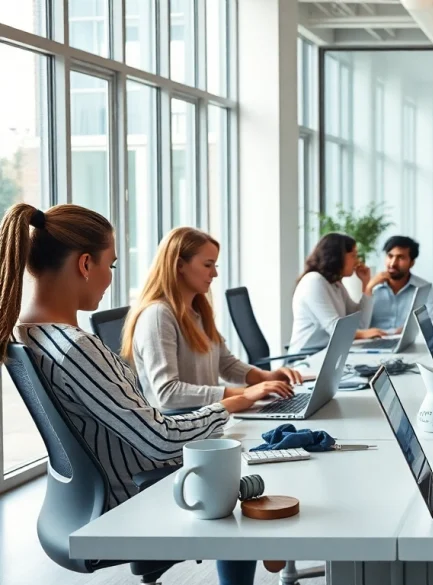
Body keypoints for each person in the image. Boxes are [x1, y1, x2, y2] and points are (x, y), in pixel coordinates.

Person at [0, 204, 283, 585]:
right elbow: (160, 441)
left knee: (253, 457)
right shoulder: (76, 348)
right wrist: (227, 406)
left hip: (94, 496)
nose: (110, 279)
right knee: (264, 468)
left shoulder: (28, 337)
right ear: (85, 265)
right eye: (110, 266)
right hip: (134, 494)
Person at [123, 227, 303, 413]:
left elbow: (226, 363)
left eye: (214, 266)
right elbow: (168, 393)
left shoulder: (197, 310)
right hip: (183, 429)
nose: (214, 274)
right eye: (208, 265)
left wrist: (266, 377)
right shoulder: (158, 316)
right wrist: (243, 394)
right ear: (179, 265)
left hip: (209, 419)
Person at [289, 233, 387, 352]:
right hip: (306, 357)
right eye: (353, 256)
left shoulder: (336, 284)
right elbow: (335, 330)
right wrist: (364, 334)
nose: (357, 261)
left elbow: (360, 325)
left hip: (329, 353)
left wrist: (366, 286)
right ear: (337, 257)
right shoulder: (314, 281)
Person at [368, 235, 433, 331]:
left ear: (412, 263)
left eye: (400, 258)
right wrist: (368, 288)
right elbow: (359, 325)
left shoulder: (425, 289)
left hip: (410, 343)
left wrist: (409, 330)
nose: (393, 263)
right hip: (373, 343)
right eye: (390, 256)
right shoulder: (372, 288)